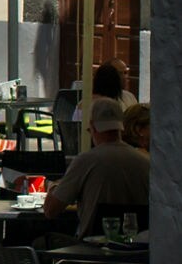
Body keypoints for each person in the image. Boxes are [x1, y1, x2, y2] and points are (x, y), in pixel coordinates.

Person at [44, 96, 150, 238]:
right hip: (135, 250)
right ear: (121, 126)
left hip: (92, 249)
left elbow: (51, 210)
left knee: (42, 242)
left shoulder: (86, 161)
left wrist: (53, 186)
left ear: (92, 127)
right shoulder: (144, 162)